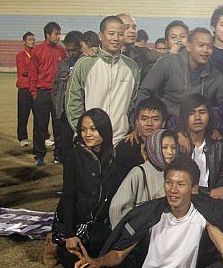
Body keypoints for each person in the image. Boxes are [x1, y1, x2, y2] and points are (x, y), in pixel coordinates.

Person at [71, 157, 223, 268]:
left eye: (180, 184)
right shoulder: (152, 214)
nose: (173, 190)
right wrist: (97, 262)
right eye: (169, 183)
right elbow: (119, 253)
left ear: (194, 188)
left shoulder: (201, 215)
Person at [53, 108, 114, 268]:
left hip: (97, 224)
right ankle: (54, 246)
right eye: (83, 129)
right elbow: (68, 196)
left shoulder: (111, 156)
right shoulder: (73, 156)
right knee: (74, 261)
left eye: (93, 129)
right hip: (75, 222)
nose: (87, 134)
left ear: (104, 130)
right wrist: (69, 235)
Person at [66, 16, 140, 145]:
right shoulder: (85, 63)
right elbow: (73, 102)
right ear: (101, 36)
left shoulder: (132, 67)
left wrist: (128, 128)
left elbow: (132, 104)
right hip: (89, 141)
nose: (116, 38)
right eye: (111, 33)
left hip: (120, 140)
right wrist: (84, 132)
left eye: (120, 34)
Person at [138, 27, 223, 124]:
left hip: (196, 125)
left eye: (210, 47)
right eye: (201, 45)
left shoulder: (215, 75)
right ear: (189, 46)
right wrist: (140, 123)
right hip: (167, 123)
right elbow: (145, 91)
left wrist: (215, 125)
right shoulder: (168, 63)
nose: (206, 50)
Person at [109, 129, 178, 227]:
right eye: (164, 147)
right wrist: (127, 233)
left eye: (173, 147)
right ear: (154, 148)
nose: (170, 152)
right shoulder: (138, 173)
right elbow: (116, 209)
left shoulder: (177, 174)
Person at [177, 93, 223, 200]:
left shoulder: (219, 145)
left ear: (209, 115)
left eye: (202, 112)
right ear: (185, 117)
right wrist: (210, 193)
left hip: (211, 204)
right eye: (191, 113)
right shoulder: (176, 146)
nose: (197, 118)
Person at [29, 21, 67, 165]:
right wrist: (34, 93)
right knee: (40, 126)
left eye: (59, 34)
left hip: (58, 94)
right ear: (48, 34)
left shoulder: (61, 51)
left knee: (59, 125)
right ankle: (39, 156)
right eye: (56, 34)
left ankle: (59, 155)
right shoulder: (37, 50)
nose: (58, 37)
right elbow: (33, 73)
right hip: (42, 93)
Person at [113, 97, 167, 188]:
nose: (149, 124)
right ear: (137, 122)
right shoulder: (125, 148)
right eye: (144, 119)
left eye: (155, 119)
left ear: (163, 123)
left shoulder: (170, 148)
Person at [50, 30, 83, 162]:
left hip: (80, 110)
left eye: (73, 50)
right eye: (68, 50)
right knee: (65, 142)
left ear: (80, 46)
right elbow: (56, 85)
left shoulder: (86, 62)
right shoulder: (64, 63)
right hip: (64, 110)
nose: (70, 53)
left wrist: (74, 79)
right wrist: (57, 102)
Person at [117, 14, 164, 82]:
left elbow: (168, 56)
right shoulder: (104, 56)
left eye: (134, 28)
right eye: (126, 27)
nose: (132, 31)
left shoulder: (143, 53)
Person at [16, 31, 36, 147]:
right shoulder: (21, 55)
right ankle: (22, 138)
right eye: (29, 39)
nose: (32, 41)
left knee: (39, 115)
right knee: (23, 115)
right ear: (24, 41)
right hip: (24, 89)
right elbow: (23, 71)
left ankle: (44, 137)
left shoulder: (37, 54)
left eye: (33, 39)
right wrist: (35, 70)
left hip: (36, 88)